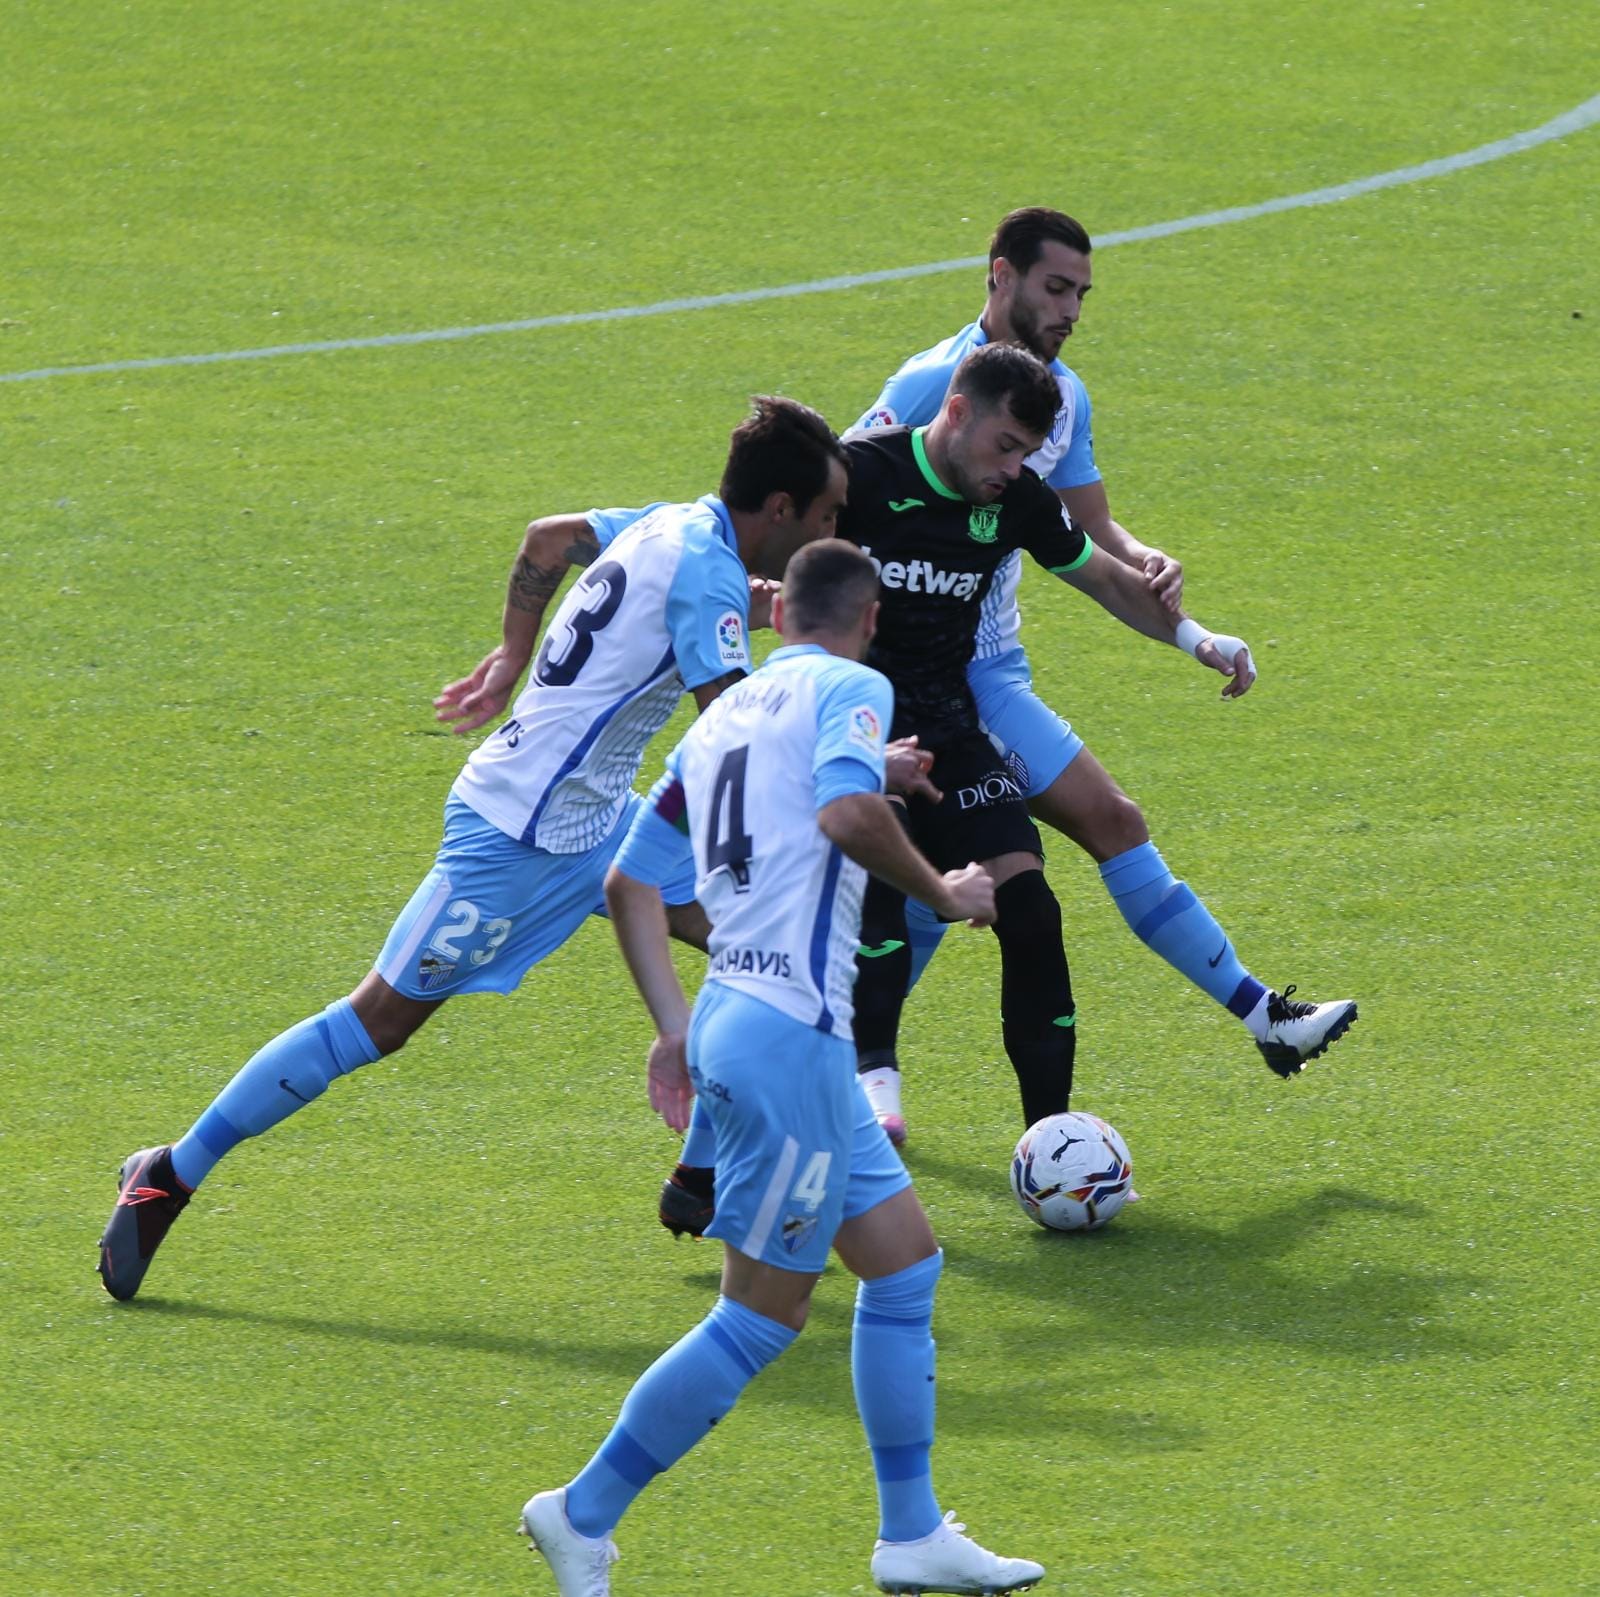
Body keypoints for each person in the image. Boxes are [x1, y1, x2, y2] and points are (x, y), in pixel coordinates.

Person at [95, 396, 850, 1302]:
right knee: (378, 1020)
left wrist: (509, 654)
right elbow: (735, 735)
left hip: (594, 814)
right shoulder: (712, 578)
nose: (827, 534)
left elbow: (546, 539)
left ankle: (702, 1171)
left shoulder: (669, 524)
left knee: (752, 935)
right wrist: (855, 754)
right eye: (826, 517)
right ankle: (168, 1174)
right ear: (779, 510)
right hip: (515, 836)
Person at [520, 539, 1044, 1597]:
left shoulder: (725, 713)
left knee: (902, 1266)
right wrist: (946, 889)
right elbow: (846, 817)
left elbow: (630, 883)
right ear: (869, 615)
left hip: (737, 1018)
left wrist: (672, 1024)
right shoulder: (856, 683)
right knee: (759, 1315)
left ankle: (910, 1534)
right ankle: (579, 1512)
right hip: (791, 1038)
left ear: (787, 611)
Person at [841, 205, 1356, 1140]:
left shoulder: (1059, 395)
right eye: (1055, 286)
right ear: (1000, 277)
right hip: (940, 681)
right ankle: (855, 1065)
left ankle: (855, 1066)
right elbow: (846, 489)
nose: (1072, 306)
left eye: (1082, 291)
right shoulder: (931, 383)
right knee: (1023, 856)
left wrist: (1178, 605)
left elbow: (1083, 534)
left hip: (991, 669)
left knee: (958, 881)